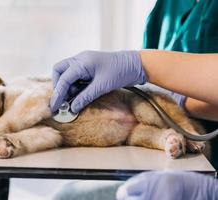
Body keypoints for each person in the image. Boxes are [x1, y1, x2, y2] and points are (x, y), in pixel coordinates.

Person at [50, 50, 218, 200]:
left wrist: (212, 193)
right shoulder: (161, 17)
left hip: (199, 169)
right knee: (68, 195)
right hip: (153, 150)